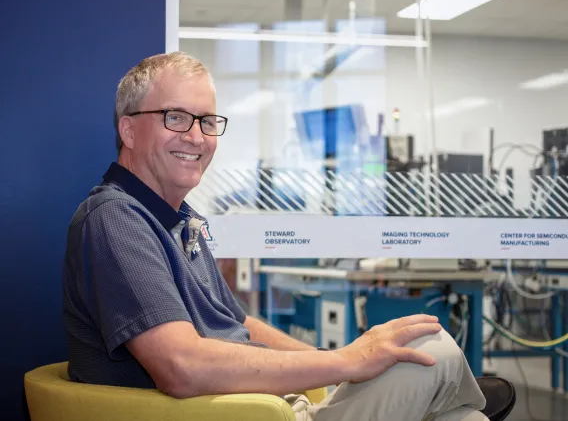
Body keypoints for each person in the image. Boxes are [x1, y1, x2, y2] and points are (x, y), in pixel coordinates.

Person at [62, 52, 488, 421]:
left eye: (207, 121)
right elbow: (182, 366)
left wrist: (327, 361)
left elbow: (238, 324)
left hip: (269, 405)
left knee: (458, 410)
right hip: (239, 414)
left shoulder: (178, 220)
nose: (196, 137)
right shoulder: (115, 219)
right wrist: (347, 362)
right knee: (434, 349)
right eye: (175, 117)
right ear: (129, 130)